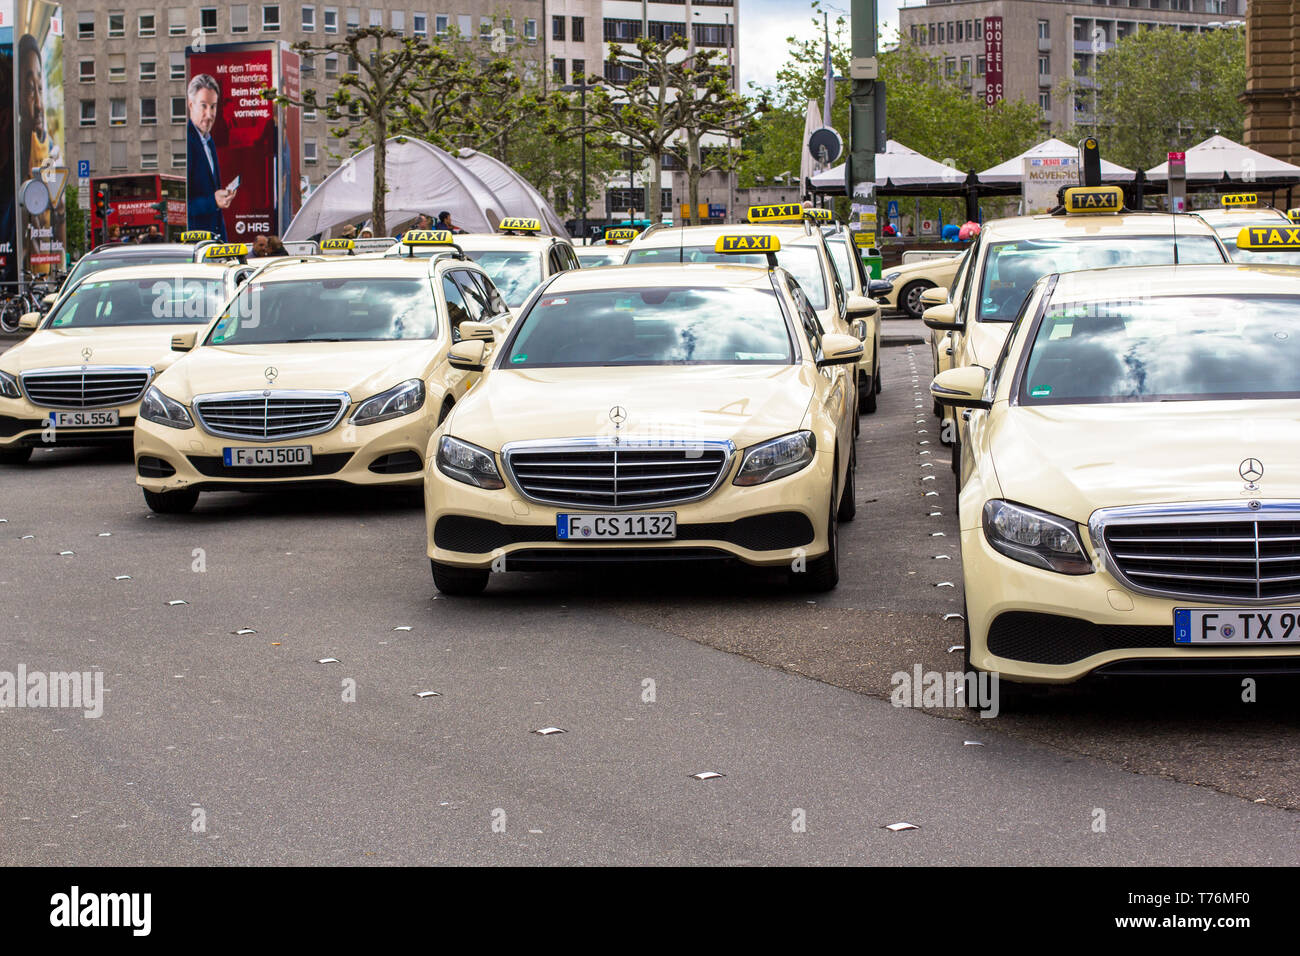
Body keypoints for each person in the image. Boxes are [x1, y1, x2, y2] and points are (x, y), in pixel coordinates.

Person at [186, 74, 235, 241]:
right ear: (190, 105)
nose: (209, 114)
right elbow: (182, 205)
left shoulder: (208, 140)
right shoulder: (186, 142)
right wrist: (212, 201)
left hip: (214, 240)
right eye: (204, 106)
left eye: (213, 107)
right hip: (194, 244)